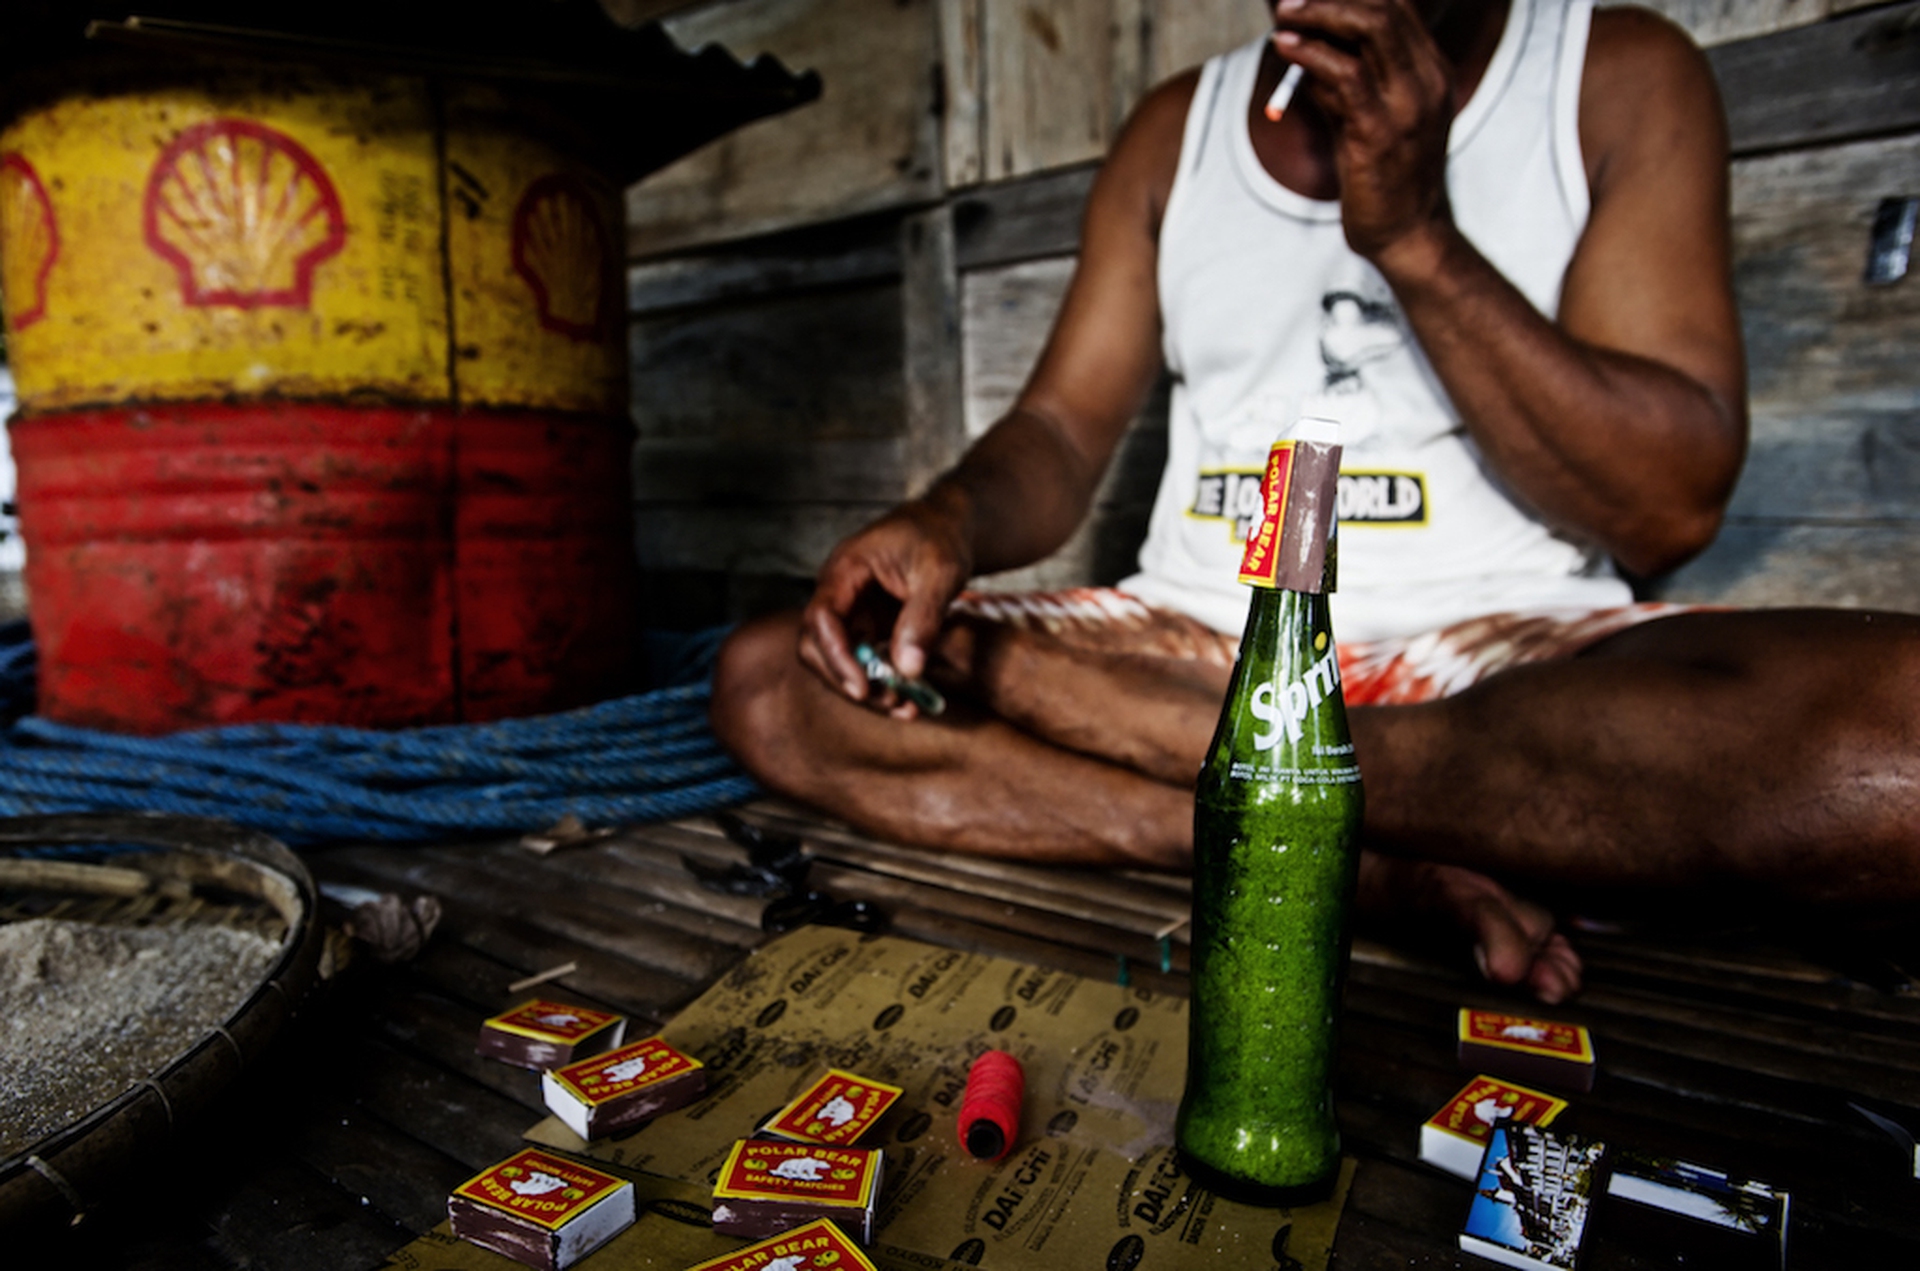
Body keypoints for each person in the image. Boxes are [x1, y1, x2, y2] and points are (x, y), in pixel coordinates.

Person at [711, 0, 1920, 1003]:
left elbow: (1667, 512)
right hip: (1191, 642)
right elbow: (1060, 432)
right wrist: (950, 517)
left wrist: (1416, 232)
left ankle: (1237, 768)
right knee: (782, 677)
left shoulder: (1614, 72)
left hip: (1503, 680)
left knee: (1899, 753)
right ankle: (1360, 856)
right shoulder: (1176, 131)